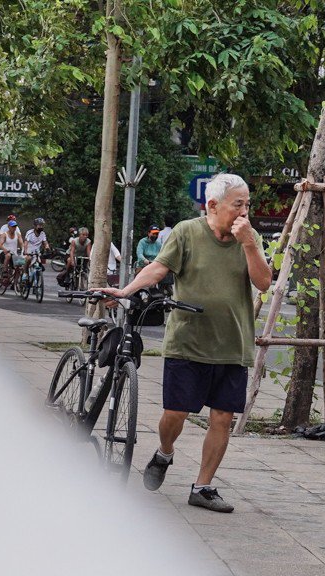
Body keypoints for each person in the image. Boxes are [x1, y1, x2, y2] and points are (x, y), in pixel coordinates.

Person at [101, 173, 272, 513]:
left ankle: (203, 486)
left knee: (222, 417)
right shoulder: (186, 232)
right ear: (213, 205)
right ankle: (165, 452)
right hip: (188, 341)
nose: (244, 213)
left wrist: (249, 244)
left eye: (247, 205)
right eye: (238, 205)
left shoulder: (248, 239)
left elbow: (264, 282)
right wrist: (125, 291)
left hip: (232, 343)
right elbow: (158, 269)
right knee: (175, 413)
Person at [137, 226, 173, 292]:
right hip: (143, 266)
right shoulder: (142, 242)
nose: (155, 235)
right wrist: (145, 260)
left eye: (157, 234)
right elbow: (139, 254)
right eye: (153, 234)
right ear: (148, 233)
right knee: (142, 282)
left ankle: (165, 288)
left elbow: (163, 254)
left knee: (166, 273)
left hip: (155, 267)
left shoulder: (158, 244)